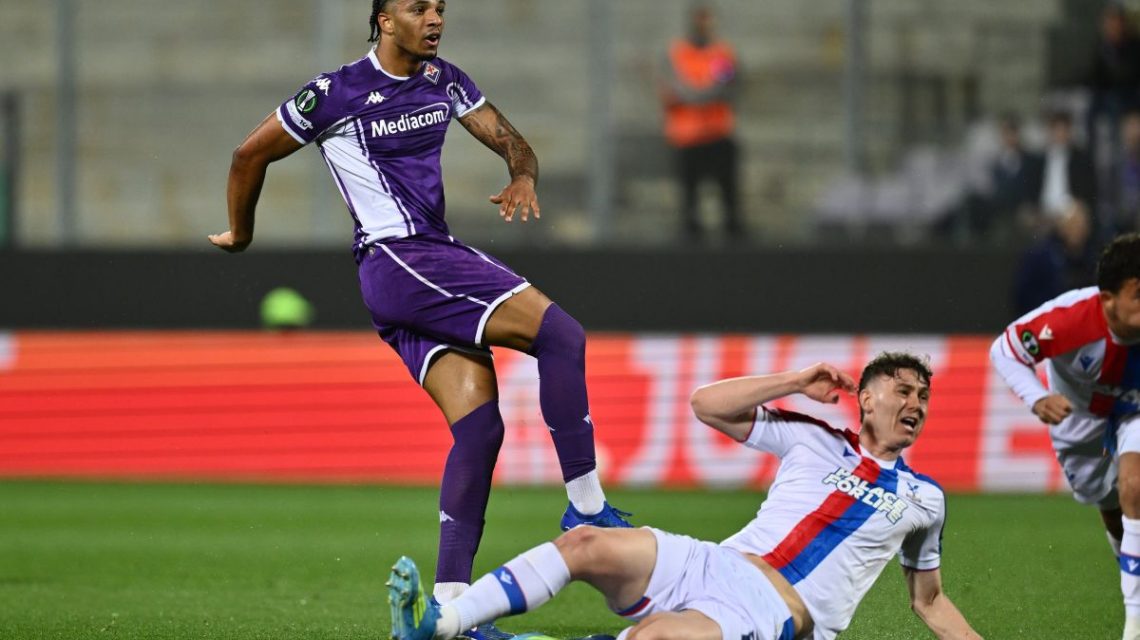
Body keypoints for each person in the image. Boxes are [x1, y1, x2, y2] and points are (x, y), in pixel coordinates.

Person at [208, 0, 633, 632]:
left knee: (480, 431)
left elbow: (512, 140)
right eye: (418, 8)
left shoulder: (443, 79)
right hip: (401, 258)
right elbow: (249, 155)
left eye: (439, 7)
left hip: (416, 267)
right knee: (560, 334)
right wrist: (240, 233)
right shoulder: (335, 93)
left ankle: (450, 613)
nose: (434, 18)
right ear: (384, 20)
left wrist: (522, 175)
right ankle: (587, 509)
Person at [389, 353, 984, 640]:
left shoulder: (925, 500)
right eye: (903, 391)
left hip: (775, 611)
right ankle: (442, 623)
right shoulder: (813, 437)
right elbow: (707, 405)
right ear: (867, 399)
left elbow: (929, 601)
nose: (916, 404)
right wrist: (794, 382)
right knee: (587, 542)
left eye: (923, 397)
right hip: (715, 562)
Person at [990, 233, 1140, 640]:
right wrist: (1037, 397)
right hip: (1080, 417)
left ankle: (1135, 624)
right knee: (1109, 504)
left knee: (1134, 487)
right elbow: (1005, 350)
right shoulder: (1068, 319)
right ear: (1108, 300)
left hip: (1135, 410)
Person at [659, 3, 743, 241]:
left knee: (728, 187)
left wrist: (695, 95)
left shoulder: (721, 53)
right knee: (689, 194)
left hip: (717, 132)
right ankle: (691, 230)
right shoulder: (676, 53)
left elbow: (727, 85)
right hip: (687, 136)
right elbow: (673, 87)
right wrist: (704, 94)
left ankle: (732, 228)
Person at [1010, 200, 1098, 316]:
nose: (1077, 230)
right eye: (1072, 224)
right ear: (1061, 226)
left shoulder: (1094, 257)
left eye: (1081, 225)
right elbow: (1022, 296)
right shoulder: (1040, 256)